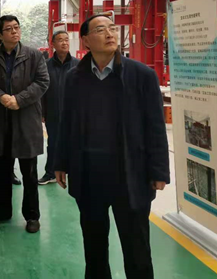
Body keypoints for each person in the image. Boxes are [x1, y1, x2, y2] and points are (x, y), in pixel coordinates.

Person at [55, 14, 170, 279]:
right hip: (89, 174)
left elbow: (155, 126)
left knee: (137, 248)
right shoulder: (74, 78)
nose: (109, 34)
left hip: (131, 174)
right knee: (94, 248)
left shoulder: (142, 75)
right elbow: (66, 122)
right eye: (100, 29)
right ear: (85, 40)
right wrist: (60, 161)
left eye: (112, 28)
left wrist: (159, 171)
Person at [0, 15, 49, 233]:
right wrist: (0, 96)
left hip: (26, 121)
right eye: (9, 29)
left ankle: (32, 216)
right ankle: (3, 210)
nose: (15, 31)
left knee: (29, 174)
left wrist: (19, 99)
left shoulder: (34, 55)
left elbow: (42, 82)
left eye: (17, 27)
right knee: (1, 173)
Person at [39, 31, 79, 185]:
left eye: (66, 40)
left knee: (75, 144)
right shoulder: (45, 65)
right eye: (60, 40)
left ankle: (75, 173)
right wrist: (42, 112)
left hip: (74, 114)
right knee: (53, 144)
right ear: (53, 44)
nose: (64, 43)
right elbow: (42, 91)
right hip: (53, 112)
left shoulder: (78, 65)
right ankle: (50, 173)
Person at [0, 34, 21, 185]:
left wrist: (18, 99)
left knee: (12, 143)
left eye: (16, 28)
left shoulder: (21, 58)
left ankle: (11, 173)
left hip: (14, 107)